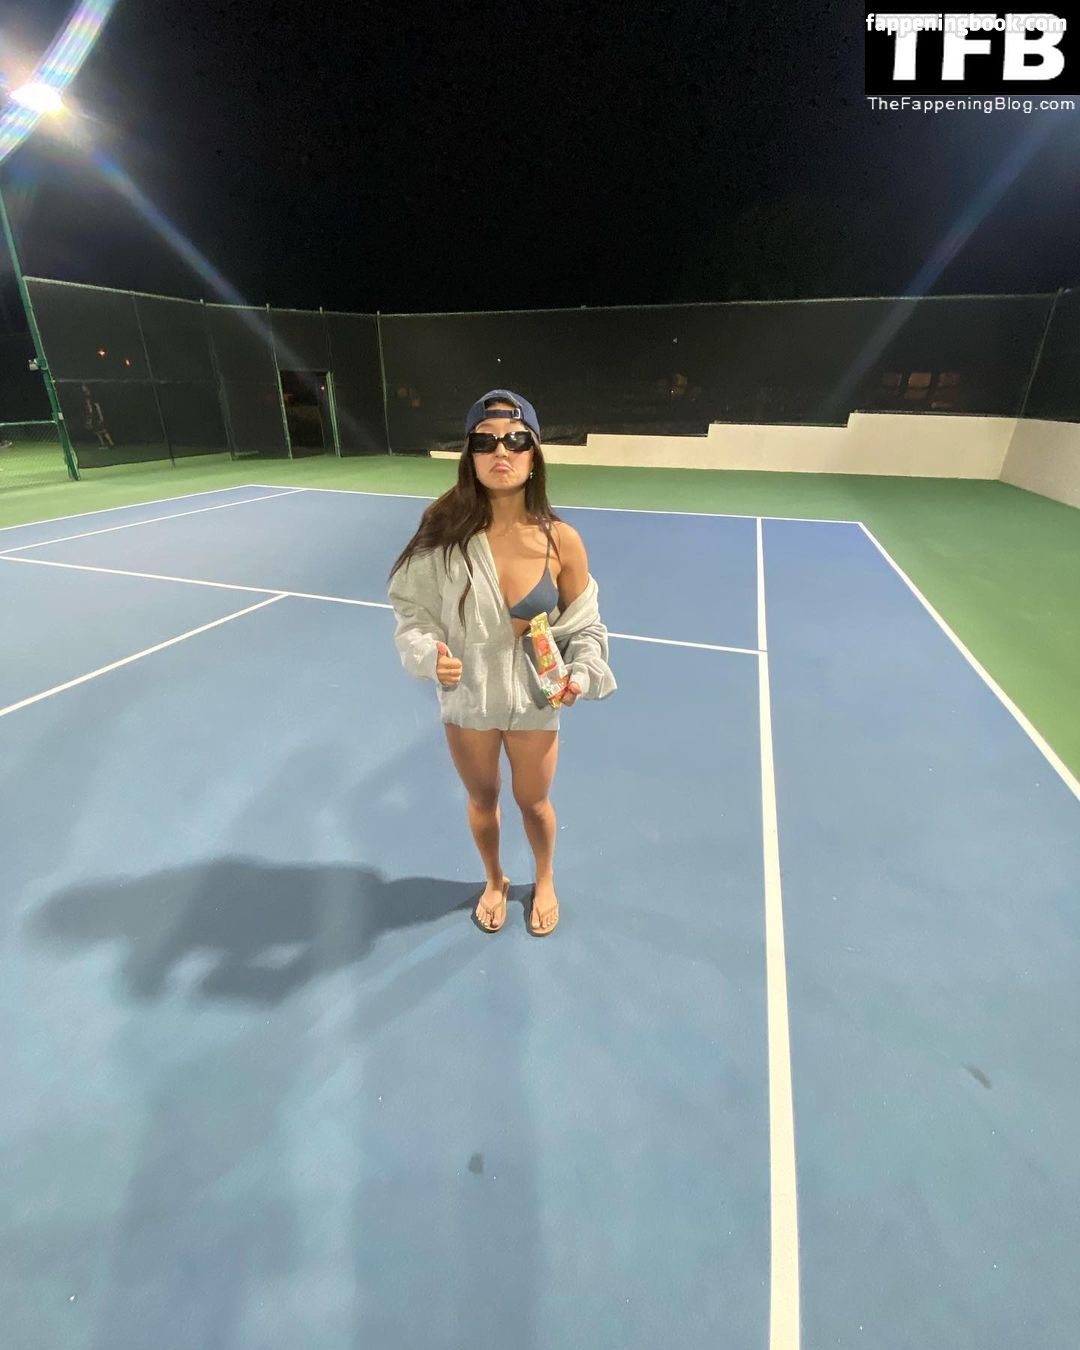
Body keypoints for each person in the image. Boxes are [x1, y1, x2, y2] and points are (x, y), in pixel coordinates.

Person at [387, 389, 617, 938]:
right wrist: (428, 655)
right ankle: (494, 879)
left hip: (536, 699)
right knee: (482, 798)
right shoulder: (442, 535)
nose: (501, 452)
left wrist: (580, 673)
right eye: (485, 442)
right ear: (470, 455)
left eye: (515, 440)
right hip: (469, 698)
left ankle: (545, 877)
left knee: (534, 803)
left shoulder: (563, 541)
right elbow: (413, 613)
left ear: (534, 454)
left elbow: (586, 627)